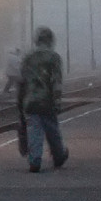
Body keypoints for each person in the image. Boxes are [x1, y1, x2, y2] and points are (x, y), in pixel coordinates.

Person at [18, 26, 69, 173]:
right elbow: (56, 82)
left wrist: (21, 102)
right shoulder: (54, 57)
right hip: (47, 100)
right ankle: (58, 156)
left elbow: (23, 81)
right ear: (51, 40)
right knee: (53, 130)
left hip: (31, 99)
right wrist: (57, 101)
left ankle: (35, 161)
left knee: (35, 131)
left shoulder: (28, 57)